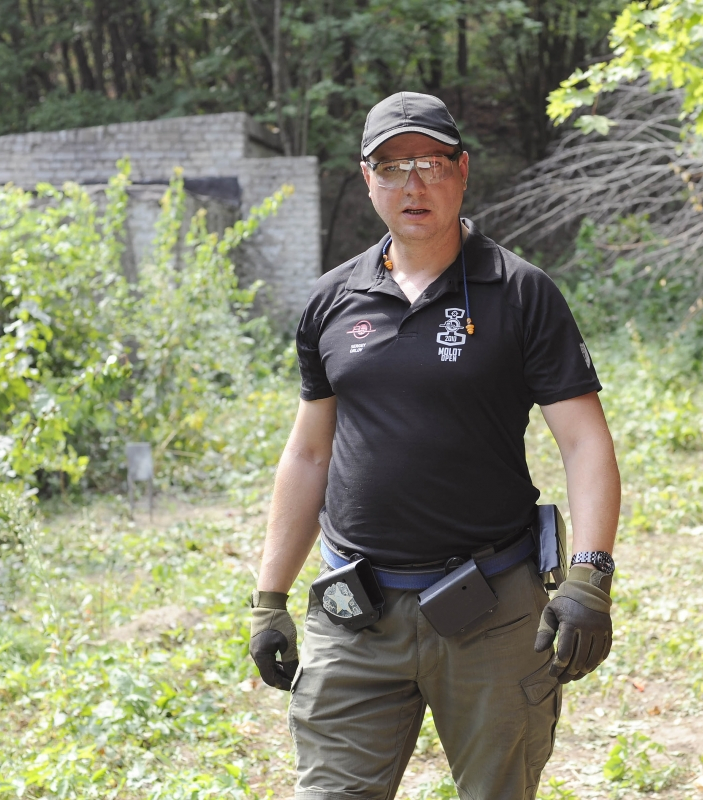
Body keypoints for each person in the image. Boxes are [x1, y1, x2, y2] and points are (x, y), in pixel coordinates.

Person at [249, 91, 621, 800]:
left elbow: (584, 444)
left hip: (493, 614)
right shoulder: (331, 300)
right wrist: (270, 598)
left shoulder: (521, 292)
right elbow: (308, 454)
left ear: (462, 170)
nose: (412, 184)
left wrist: (589, 579)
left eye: (430, 163)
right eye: (392, 167)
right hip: (354, 614)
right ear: (367, 179)